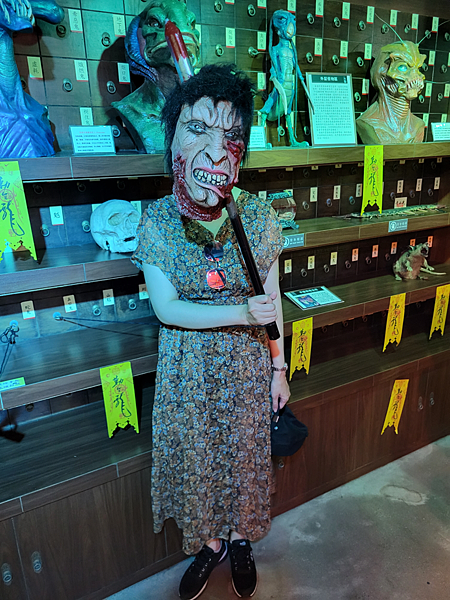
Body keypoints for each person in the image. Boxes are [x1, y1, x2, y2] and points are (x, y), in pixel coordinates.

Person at [132, 64, 290, 600]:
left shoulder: (259, 217)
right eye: (198, 129)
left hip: (247, 366)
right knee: (199, 460)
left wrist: (279, 367)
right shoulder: (158, 221)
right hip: (189, 368)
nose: (216, 151)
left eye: (231, 136)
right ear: (172, 137)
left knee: (245, 456)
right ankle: (211, 544)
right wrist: (240, 313)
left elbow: (271, 304)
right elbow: (167, 308)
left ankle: (240, 540)